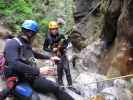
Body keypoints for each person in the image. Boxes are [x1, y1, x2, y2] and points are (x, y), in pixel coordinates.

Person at [0, 20, 74, 100]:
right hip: (18, 80)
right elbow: (14, 64)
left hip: (31, 77)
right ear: (30, 34)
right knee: (35, 98)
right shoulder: (13, 43)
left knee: (56, 87)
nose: (35, 37)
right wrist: (38, 71)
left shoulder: (26, 44)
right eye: (35, 34)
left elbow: (34, 54)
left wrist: (50, 58)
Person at [43, 21, 72, 87]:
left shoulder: (61, 36)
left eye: (56, 29)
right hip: (55, 55)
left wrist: (62, 46)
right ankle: (60, 84)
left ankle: (70, 85)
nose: (55, 30)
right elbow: (44, 48)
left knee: (67, 69)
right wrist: (52, 50)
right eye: (53, 29)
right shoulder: (48, 38)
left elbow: (66, 43)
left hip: (63, 54)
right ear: (50, 30)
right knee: (59, 69)